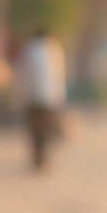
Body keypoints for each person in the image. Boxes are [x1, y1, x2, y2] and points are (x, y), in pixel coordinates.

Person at [15, 26, 67, 171]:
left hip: (31, 97)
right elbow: (59, 76)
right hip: (49, 98)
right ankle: (42, 158)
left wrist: (19, 96)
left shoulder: (28, 50)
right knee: (45, 130)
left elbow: (22, 75)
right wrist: (60, 98)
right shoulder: (54, 50)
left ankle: (37, 157)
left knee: (34, 130)